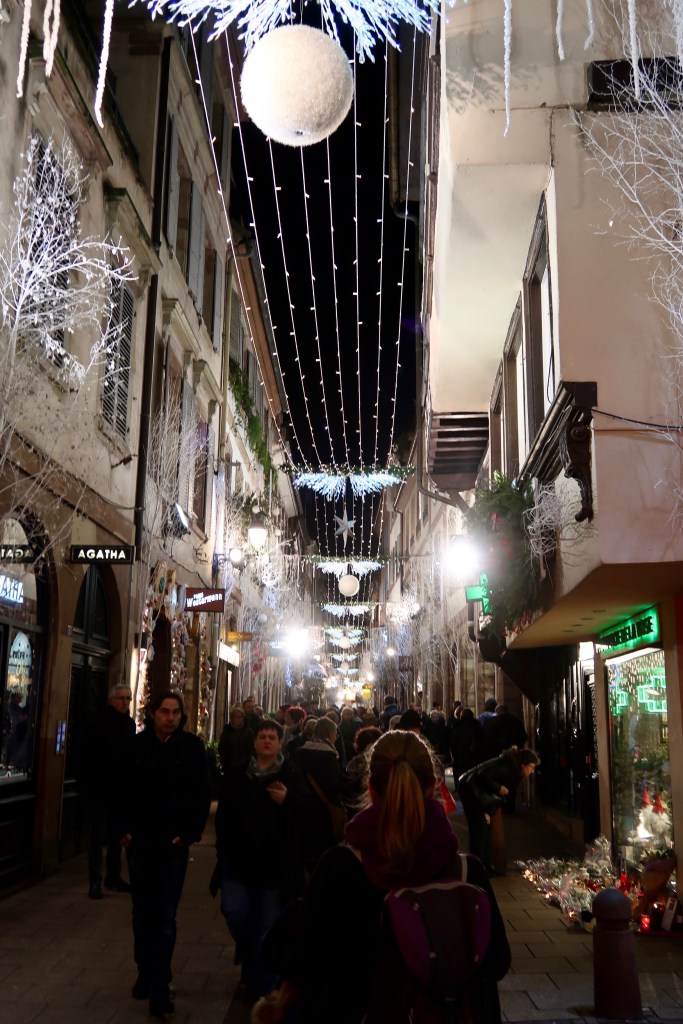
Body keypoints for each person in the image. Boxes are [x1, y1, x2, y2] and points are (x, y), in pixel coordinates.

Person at [254, 730, 510, 1023]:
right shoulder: (468, 873)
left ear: (371, 788)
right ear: (432, 787)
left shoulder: (338, 868)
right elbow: (498, 962)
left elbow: (300, 962)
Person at [118, 690, 211, 1018]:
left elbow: (202, 793)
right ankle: (145, 968)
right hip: (141, 843)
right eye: (164, 711)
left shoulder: (192, 748)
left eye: (175, 712)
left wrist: (188, 834)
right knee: (142, 914)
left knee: (165, 917)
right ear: (153, 713)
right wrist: (124, 831)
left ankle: (160, 984)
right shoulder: (136, 746)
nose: (170, 717)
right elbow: (120, 789)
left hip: (172, 846)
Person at [213, 718, 310, 1002]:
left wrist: (287, 800)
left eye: (272, 737)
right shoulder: (239, 772)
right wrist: (223, 849)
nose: (267, 740)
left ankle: (259, 983)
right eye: (263, 736)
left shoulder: (290, 773)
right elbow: (224, 814)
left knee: (266, 927)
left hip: (273, 866)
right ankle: (249, 954)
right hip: (239, 862)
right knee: (235, 913)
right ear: (255, 742)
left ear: (280, 743)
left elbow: (307, 814)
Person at [80, 683, 135, 900]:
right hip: (99, 790)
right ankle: (95, 880)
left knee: (117, 837)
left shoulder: (129, 725)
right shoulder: (97, 724)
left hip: (120, 792)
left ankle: (113, 876)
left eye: (129, 699)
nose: (126, 702)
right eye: (122, 698)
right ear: (111, 700)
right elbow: (86, 757)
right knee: (97, 837)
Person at [458, 746, 540, 876]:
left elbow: (495, 797)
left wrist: (489, 811)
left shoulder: (513, 770)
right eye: (531, 766)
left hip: (480, 797)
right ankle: (477, 869)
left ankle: (487, 865)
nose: (532, 771)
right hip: (471, 792)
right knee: (479, 830)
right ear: (523, 764)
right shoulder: (505, 766)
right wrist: (498, 788)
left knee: (487, 829)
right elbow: (482, 777)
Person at [292, 716, 346, 867]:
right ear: (329, 734)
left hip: (302, 811)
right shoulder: (329, 756)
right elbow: (333, 787)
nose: (335, 739)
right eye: (335, 735)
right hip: (323, 814)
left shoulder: (298, 753)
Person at [218, 704, 254, 778]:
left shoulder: (248, 732)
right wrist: (226, 760)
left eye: (240, 717)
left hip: (245, 768)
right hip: (229, 767)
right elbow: (221, 747)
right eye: (236, 717)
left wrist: (246, 761)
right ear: (232, 718)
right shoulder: (227, 731)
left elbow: (252, 748)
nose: (238, 719)